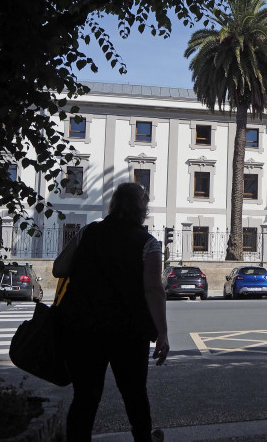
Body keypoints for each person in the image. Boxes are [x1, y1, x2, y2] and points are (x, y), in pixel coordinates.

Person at [53, 182, 169, 442]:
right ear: (141, 208)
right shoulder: (148, 243)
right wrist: (162, 333)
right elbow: (153, 290)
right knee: (134, 394)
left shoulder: (88, 232)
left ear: (114, 205)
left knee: (85, 396)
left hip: (83, 328)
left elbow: (59, 269)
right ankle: (143, 439)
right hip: (128, 331)